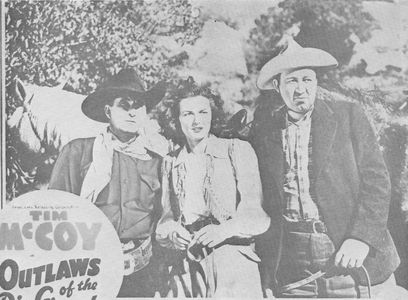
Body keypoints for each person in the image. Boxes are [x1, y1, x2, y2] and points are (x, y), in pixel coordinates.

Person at [251, 39, 403, 298]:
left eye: (307, 79)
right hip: (290, 261)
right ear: (277, 86)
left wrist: (361, 238)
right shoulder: (264, 131)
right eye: (292, 81)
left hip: (346, 252)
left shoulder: (348, 116)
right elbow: (265, 201)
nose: (301, 89)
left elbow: (377, 183)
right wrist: (267, 269)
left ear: (316, 82)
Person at [49, 68, 169, 297]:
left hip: (143, 275)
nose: (132, 113)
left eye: (139, 106)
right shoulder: (78, 151)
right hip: (88, 270)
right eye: (125, 105)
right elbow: (57, 214)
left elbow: (164, 219)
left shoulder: (158, 162)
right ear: (108, 111)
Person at [156, 78, 270, 298]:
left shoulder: (237, 150)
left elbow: (257, 216)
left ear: (213, 115)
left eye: (203, 112)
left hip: (233, 263)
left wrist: (224, 230)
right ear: (176, 120)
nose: (196, 120)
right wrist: (173, 232)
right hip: (188, 266)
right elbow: (165, 218)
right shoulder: (170, 162)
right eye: (188, 114)